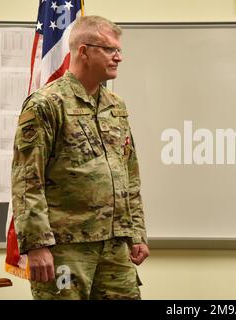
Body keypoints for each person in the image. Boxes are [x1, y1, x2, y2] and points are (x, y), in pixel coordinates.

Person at [11, 16, 149, 299]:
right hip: (65, 248)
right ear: (83, 51)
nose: (119, 57)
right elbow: (27, 179)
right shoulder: (46, 104)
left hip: (114, 246)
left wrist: (136, 232)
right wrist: (36, 245)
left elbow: (128, 173)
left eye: (119, 50)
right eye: (110, 50)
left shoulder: (115, 106)